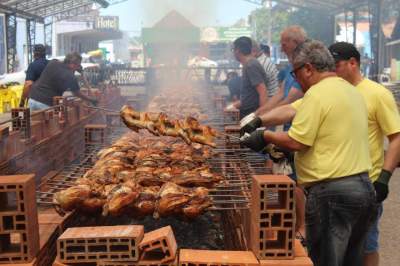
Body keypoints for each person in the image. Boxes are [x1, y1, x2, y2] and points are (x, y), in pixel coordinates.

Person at [241, 40, 377, 266]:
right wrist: (259, 119)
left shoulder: (318, 94)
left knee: (326, 260)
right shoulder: (349, 91)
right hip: (363, 189)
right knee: (352, 261)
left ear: (308, 68)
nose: (297, 80)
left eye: (296, 73)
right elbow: (296, 113)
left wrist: (265, 137)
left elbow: (296, 141)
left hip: (332, 194)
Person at [328, 42, 400, 266]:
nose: (333, 70)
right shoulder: (331, 92)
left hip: (366, 185)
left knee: (367, 245)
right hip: (334, 183)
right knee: (336, 246)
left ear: (353, 63)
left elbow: (396, 137)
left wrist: (384, 180)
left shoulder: (377, 94)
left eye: (336, 64)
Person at [255, 25, 306, 116]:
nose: (282, 50)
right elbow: (280, 93)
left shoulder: (304, 68)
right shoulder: (290, 66)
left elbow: (290, 100)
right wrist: (259, 111)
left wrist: (264, 115)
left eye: (284, 45)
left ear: (296, 43)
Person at [28, 52, 97, 111]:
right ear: (73, 64)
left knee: (32, 126)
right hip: (45, 104)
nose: (78, 66)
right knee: (53, 125)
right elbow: (77, 93)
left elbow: (61, 68)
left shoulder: (53, 62)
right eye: (78, 64)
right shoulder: (70, 76)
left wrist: (75, 69)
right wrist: (91, 100)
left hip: (32, 99)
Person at [229, 36, 269, 119]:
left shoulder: (251, 65)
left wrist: (261, 117)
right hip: (248, 112)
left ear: (238, 50)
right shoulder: (248, 64)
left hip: (252, 113)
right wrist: (233, 105)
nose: (233, 53)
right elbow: (249, 95)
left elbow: (263, 91)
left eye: (233, 50)